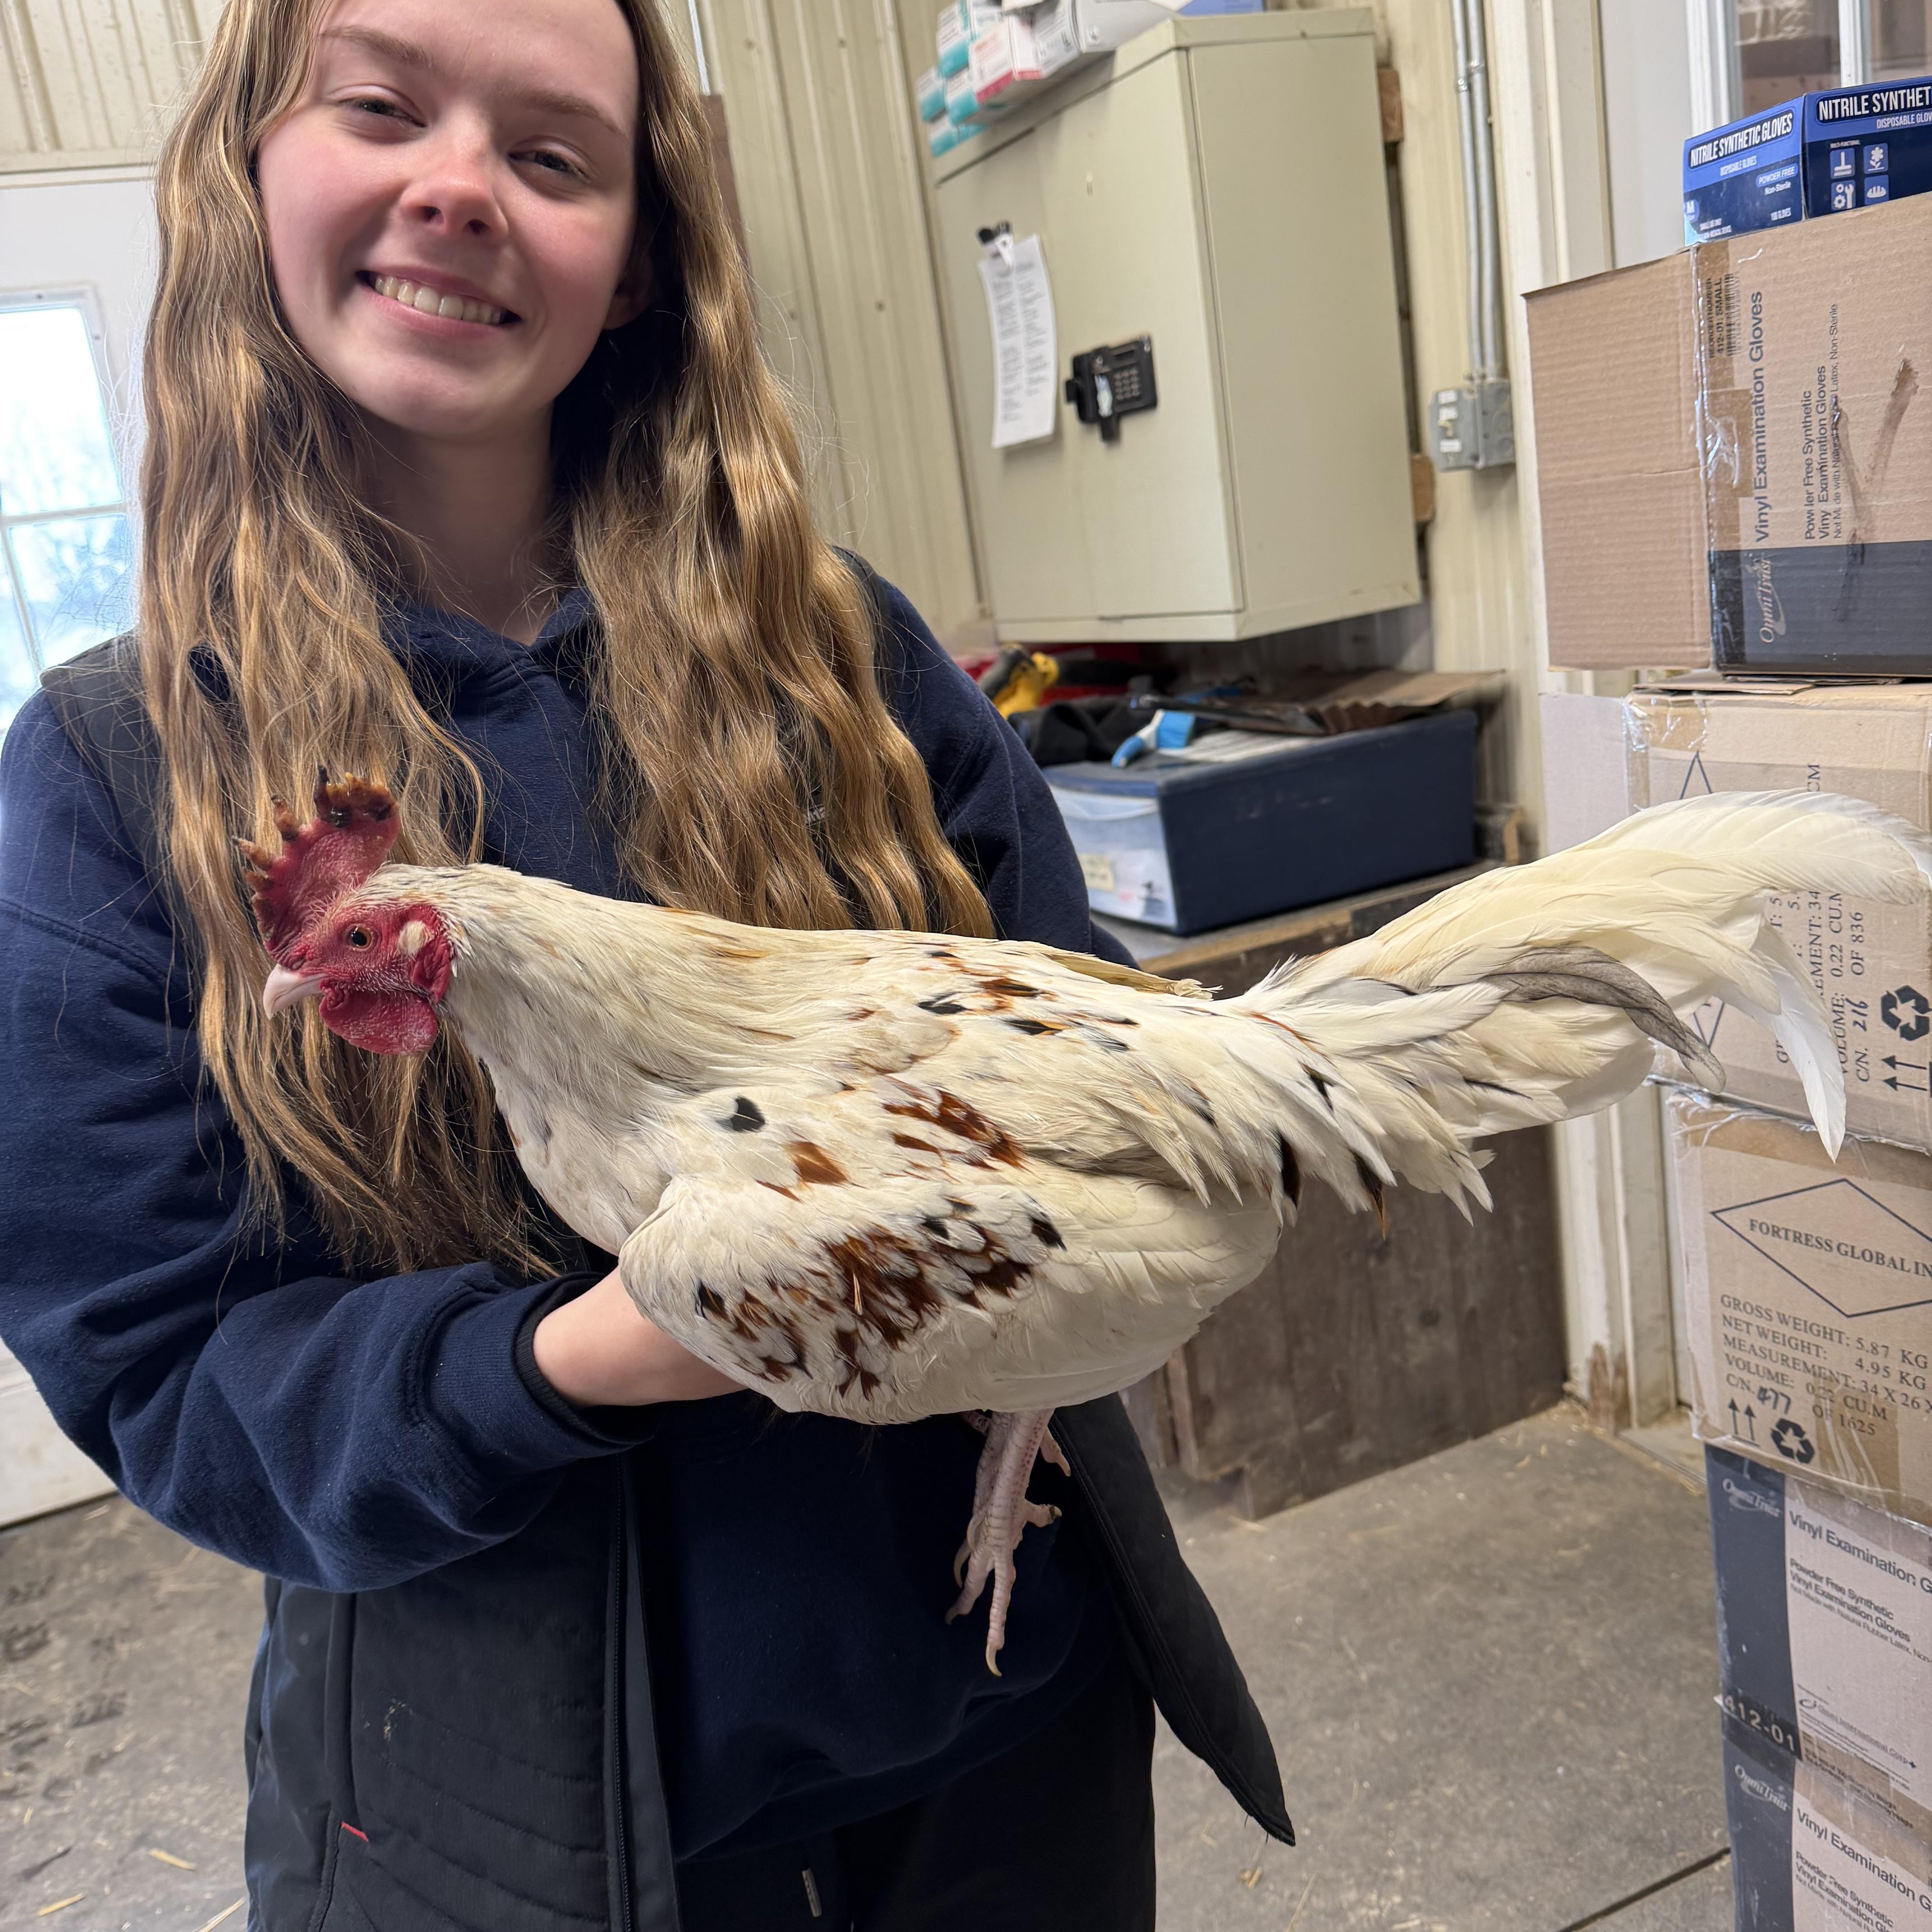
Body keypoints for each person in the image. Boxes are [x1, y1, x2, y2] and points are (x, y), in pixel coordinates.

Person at [0, 0, 1290, 1925]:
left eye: (551, 154)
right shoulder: (113, 770)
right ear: (248, 171)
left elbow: (1083, 1041)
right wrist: (594, 1353)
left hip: (1005, 1714)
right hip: (522, 1821)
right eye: (379, 107)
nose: (458, 188)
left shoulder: (838, 646)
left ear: (632, 267)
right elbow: (166, 1375)